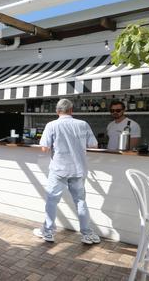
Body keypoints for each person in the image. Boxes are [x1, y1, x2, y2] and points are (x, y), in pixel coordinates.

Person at [33, 99, 101, 245]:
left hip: (59, 169)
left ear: (57, 111)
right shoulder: (83, 124)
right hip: (78, 170)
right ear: (71, 110)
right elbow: (94, 145)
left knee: (52, 200)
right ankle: (87, 234)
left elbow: (44, 148)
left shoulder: (52, 125)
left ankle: (48, 232)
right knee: (80, 201)